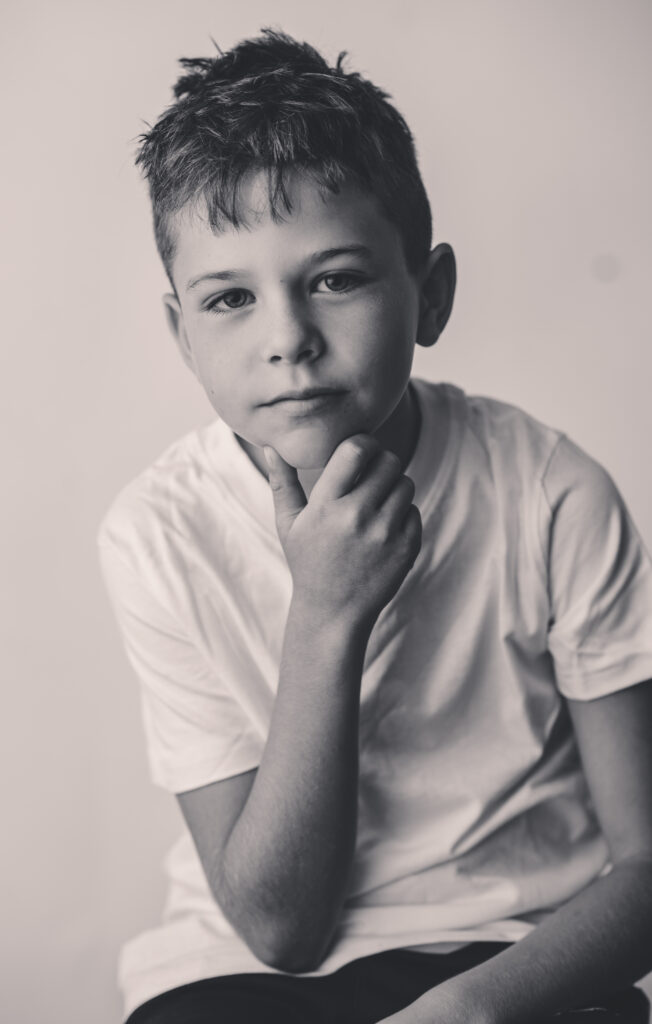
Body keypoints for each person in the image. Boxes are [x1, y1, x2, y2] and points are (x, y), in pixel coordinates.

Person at [97, 27, 652, 1024]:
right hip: (243, 971)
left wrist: (470, 1009)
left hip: (511, 951)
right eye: (229, 298)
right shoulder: (158, 533)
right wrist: (325, 613)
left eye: (335, 278)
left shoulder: (550, 492)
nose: (288, 341)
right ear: (183, 335)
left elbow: (646, 863)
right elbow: (282, 928)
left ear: (428, 292)